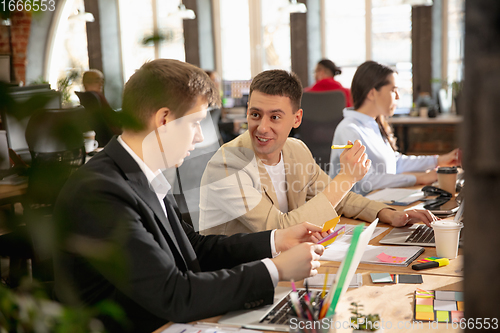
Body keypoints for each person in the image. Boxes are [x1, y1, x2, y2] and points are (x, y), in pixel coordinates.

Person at [53, 60, 329, 333]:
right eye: (196, 123)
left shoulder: (142, 175)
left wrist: (275, 240)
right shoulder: (101, 191)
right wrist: (275, 270)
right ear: (164, 120)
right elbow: (173, 293)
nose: (199, 137)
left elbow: (195, 248)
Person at [199, 69, 437, 236]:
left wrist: (387, 213)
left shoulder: (296, 150)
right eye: (255, 114)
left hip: (285, 264)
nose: (262, 127)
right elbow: (278, 230)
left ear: (297, 119)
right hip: (242, 278)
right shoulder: (228, 165)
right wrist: (345, 179)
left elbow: (338, 199)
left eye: (275, 117)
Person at [329, 61, 461, 195]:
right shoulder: (348, 129)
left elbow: (395, 162)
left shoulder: (372, 125)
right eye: (393, 90)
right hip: (355, 211)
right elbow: (367, 181)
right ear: (372, 93)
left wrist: (439, 160)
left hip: (378, 201)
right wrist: (420, 178)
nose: (398, 96)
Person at [76, 69, 121, 147]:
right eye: (97, 81)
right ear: (85, 82)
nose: (101, 84)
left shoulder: (85, 98)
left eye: (102, 80)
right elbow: (110, 119)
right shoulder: (94, 97)